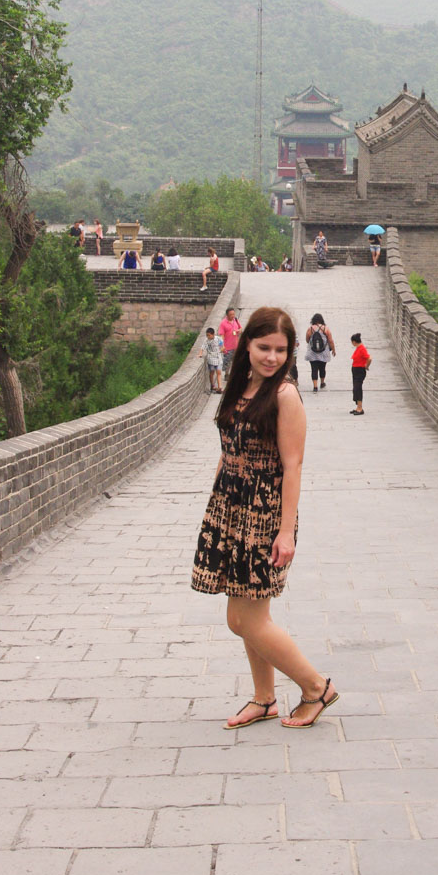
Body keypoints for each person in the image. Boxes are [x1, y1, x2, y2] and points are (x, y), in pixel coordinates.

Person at [191, 306, 338, 729]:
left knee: (243, 619)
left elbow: (292, 466)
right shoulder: (240, 387)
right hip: (229, 507)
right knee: (247, 616)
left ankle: (315, 688)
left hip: (263, 512)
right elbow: (228, 448)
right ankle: (264, 699)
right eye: (263, 347)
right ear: (248, 347)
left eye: (280, 350)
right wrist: (216, 505)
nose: (271, 357)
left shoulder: (285, 396)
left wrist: (286, 531)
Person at [304, 313, 335, 392]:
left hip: (312, 353)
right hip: (323, 352)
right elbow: (330, 341)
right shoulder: (326, 329)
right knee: (322, 368)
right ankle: (322, 382)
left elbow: (307, 340)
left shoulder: (310, 329)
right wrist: (333, 350)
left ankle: (315, 387)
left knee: (314, 369)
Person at [219, 306, 242, 383]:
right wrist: (222, 346)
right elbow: (221, 335)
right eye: (231, 315)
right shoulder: (223, 323)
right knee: (228, 361)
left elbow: (240, 328)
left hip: (236, 344)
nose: (233, 316)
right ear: (227, 315)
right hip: (228, 346)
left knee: (236, 360)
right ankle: (226, 374)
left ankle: (234, 375)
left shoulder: (235, 320)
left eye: (233, 314)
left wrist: (238, 331)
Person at [350, 332, 371, 415]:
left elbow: (369, 358)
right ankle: (358, 406)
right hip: (356, 370)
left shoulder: (362, 349)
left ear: (354, 342)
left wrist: (366, 366)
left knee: (358, 388)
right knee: (355, 389)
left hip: (359, 371)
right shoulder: (358, 348)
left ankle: (360, 408)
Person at [199, 327, 224, 393]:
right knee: (212, 372)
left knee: (219, 372)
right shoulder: (206, 341)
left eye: (209, 335)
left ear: (213, 334)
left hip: (218, 357)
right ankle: (212, 386)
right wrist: (200, 354)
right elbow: (202, 347)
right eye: (207, 335)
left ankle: (220, 387)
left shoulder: (218, 339)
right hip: (211, 358)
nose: (208, 336)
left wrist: (221, 349)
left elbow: (222, 346)